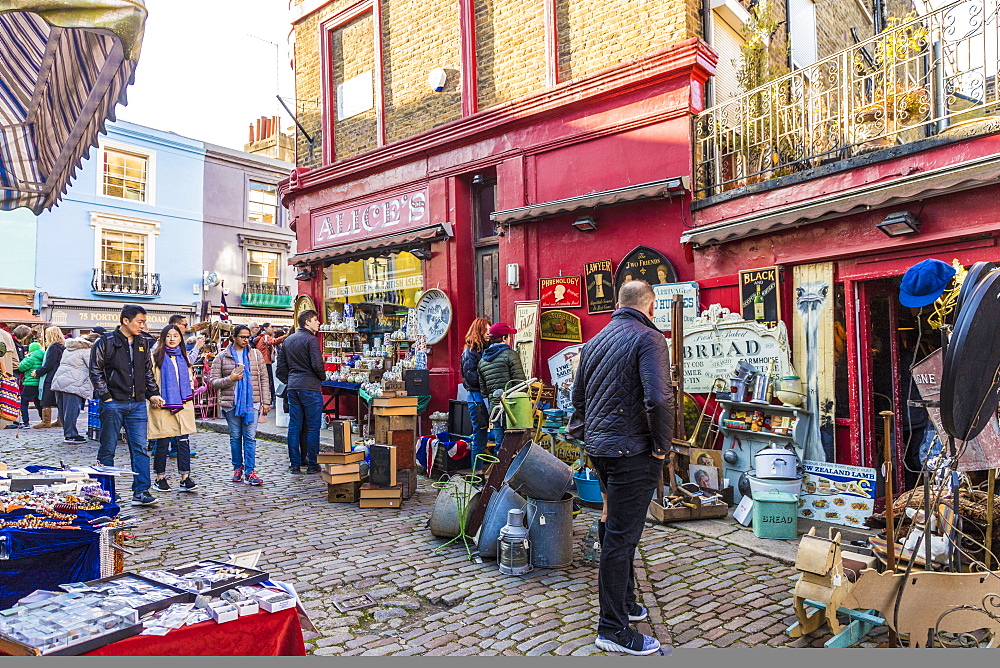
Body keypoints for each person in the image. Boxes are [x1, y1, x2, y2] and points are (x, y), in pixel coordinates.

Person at [570, 280, 673, 656]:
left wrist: (589, 438)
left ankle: (627, 603)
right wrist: (663, 447)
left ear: (618, 304)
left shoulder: (595, 341)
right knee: (621, 537)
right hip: (633, 451)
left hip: (602, 449)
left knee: (615, 526)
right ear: (650, 306)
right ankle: (612, 629)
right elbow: (659, 399)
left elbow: (576, 398)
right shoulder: (649, 338)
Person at [89, 304, 165, 507]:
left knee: (140, 448)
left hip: (137, 403)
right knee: (108, 448)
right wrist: (106, 397)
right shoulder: (106, 341)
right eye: (140, 322)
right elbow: (95, 370)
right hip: (113, 402)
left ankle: (141, 491)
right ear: (125, 320)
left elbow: (147, 372)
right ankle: (106, 492)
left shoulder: (143, 342)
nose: (143, 325)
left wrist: (153, 394)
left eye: (144, 322)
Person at [211, 325, 272, 485]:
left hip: (253, 402)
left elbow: (264, 379)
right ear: (233, 337)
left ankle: (250, 471)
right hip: (231, 403)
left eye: (248, 337)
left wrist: (266, 401)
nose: (246, 340)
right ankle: (237, 468)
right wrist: (230, 379)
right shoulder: (222, 357)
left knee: (250, 437)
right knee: (235, 437)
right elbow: (213, 382)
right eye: (242, 337)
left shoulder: (256, 355)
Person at [148, 324, 198, 492]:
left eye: (175, 335)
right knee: (162, 441)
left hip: (183, 404)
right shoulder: (156, 357)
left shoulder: (184, 357)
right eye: (168, 335)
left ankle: (185, 477)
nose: (172, 339)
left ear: (180, 338)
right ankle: (160, 477)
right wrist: (153, 396)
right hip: (163, 403)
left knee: (183, 441)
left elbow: (189, 380)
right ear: (163, 338)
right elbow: (150, 380)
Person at [276, 310, 324, 474]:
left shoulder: (288, 340)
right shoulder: (312, 340)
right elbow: (317, 364)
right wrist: (321, 377)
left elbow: (280, 369)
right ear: (307, 322)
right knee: (312, 426)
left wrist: (290, 381)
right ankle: (312, 464)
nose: (318, 323)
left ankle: (295, 464)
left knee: (294, 426)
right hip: (309, 386)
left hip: (293, 386)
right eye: (315, 320)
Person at [476, 322, 526, 449]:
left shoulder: (482, 361)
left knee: (500, 446)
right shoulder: (510, 354)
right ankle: (513, 469)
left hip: (495, 408)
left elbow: (484, 391)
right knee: (516, 446)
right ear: (504, 338)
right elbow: (521, 383)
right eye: (508, 336)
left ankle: (500, 469)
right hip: (513, 407)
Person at [166, 314, 204, 458]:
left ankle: (164, 447)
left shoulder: (179, 342)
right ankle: (176, 448)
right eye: (185, 325)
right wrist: (197, 347)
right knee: (176, 418)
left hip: (179, 388)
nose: (187, 328)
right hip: (173, 389)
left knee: (175, 419)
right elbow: (188, 361)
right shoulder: (170, 343)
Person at [460, 317, 491, 474]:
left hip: (483, 397)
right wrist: (488, 381)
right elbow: (471, 377)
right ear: (478, 331)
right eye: (485, 330)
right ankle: (477, 473)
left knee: (485, 435)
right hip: (477, 398)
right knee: (479, 436)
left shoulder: (485, 350)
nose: (488, 333)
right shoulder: (470, 352)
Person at [50, 336, 94, 443]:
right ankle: (71, 435)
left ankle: (67, 433)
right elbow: (93, 367)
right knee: (72, 410)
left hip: (60, 380)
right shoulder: (86, 351)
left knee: (63, 409)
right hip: (74, 383)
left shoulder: (68, 349)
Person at [32, 326, 66, 429]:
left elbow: (49, 364)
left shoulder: (53, 347)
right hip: (59, 376)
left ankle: (46, 421)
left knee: (46, 400)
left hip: (50, 377)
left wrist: (37, 372)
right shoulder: (62, 347)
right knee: (59, 400)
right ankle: (60, 420)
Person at [255, 322, 288, 401]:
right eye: (270, 327)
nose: (272, 329)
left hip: (262, 361)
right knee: (268, 381)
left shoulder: (260, 337)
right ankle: (270, 398)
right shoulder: (265, 337)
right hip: (266, 361)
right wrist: (285, 336)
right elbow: (273, 341)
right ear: (265, 328)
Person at [4, 325, 30, 429]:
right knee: (8, 396)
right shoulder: (11, 341)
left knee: (11, 396)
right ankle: (7, 421)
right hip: (11, 371)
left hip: (13, 371)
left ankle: (9, 419)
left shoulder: (14, 341)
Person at [18, 342, 44, 427]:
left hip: (30, 383)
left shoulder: (31, 358)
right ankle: (43, 420)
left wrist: (26, 358)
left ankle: (26, 422)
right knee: (38, 403)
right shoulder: (44, 357)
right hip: (40, 384)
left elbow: (21, 367)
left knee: (24, 403)